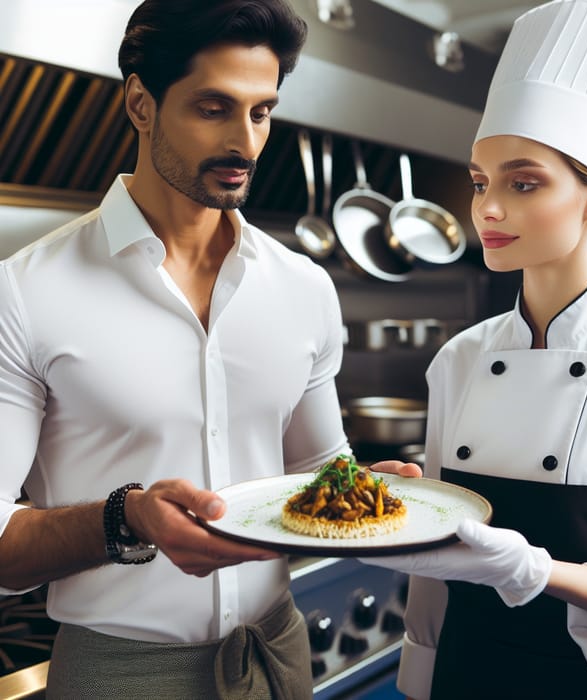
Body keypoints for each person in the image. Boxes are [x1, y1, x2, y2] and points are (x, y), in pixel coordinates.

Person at [0, 1, 417, 697]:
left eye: (261, 112)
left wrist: (368, 491)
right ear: (141, 103)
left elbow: (316, 467)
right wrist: (125, 517)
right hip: (119, 674)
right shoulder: (25, 292)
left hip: (276, 653)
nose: (246, 144)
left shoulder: (304, 286)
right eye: (214, 108)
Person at [363, 0, 587, 698]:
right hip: (468, 674)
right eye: (482, 182)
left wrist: (535, 572)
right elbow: (438, 576)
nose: (486, 208)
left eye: (523, 183)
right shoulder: (458, 358)